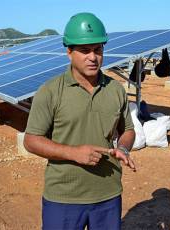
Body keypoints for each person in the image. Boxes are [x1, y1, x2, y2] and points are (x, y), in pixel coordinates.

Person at [23, 12, 137, 230]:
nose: (92, 57)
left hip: (108, 193)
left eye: (98, 50)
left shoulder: (116, 90)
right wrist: (73, 153)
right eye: (84, 51)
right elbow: (31, 139)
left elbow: (128, 130)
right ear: (69, 52)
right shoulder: (50, 91)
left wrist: (123, 147)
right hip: (64, 197)